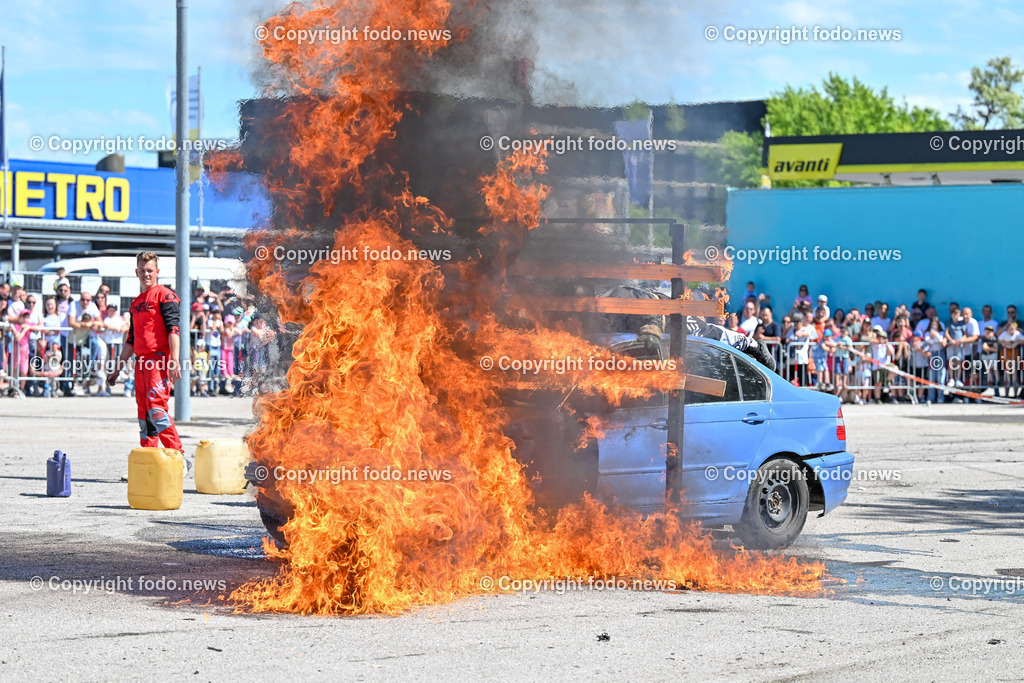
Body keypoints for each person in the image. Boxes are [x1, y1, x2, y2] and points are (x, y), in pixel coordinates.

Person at [106, 252, 184, 454]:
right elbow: (130, 340)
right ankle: (149, 456)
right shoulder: (135, 303)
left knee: (157, 407)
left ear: (157, 272)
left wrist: (175, 360)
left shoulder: (165, 295)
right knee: (144, 409)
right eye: (142, 270)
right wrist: (117, 370)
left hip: (159, 360)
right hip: (140, 363)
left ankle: (177, 455)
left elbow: (173, 329)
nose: (146, 274)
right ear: (136, 272)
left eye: (150, 270)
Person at [923, 319, 947, 404]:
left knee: (940, 377)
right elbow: (928, 340)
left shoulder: (941, 333)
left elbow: (941, 341)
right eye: (932, 324)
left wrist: (936, 335)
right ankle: (931, 398)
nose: (934, 326)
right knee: (931, 377)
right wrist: (933, 337)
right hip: (932, 355)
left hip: (940, 354)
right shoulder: (927, 333)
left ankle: (940, 397)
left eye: (935, 324)